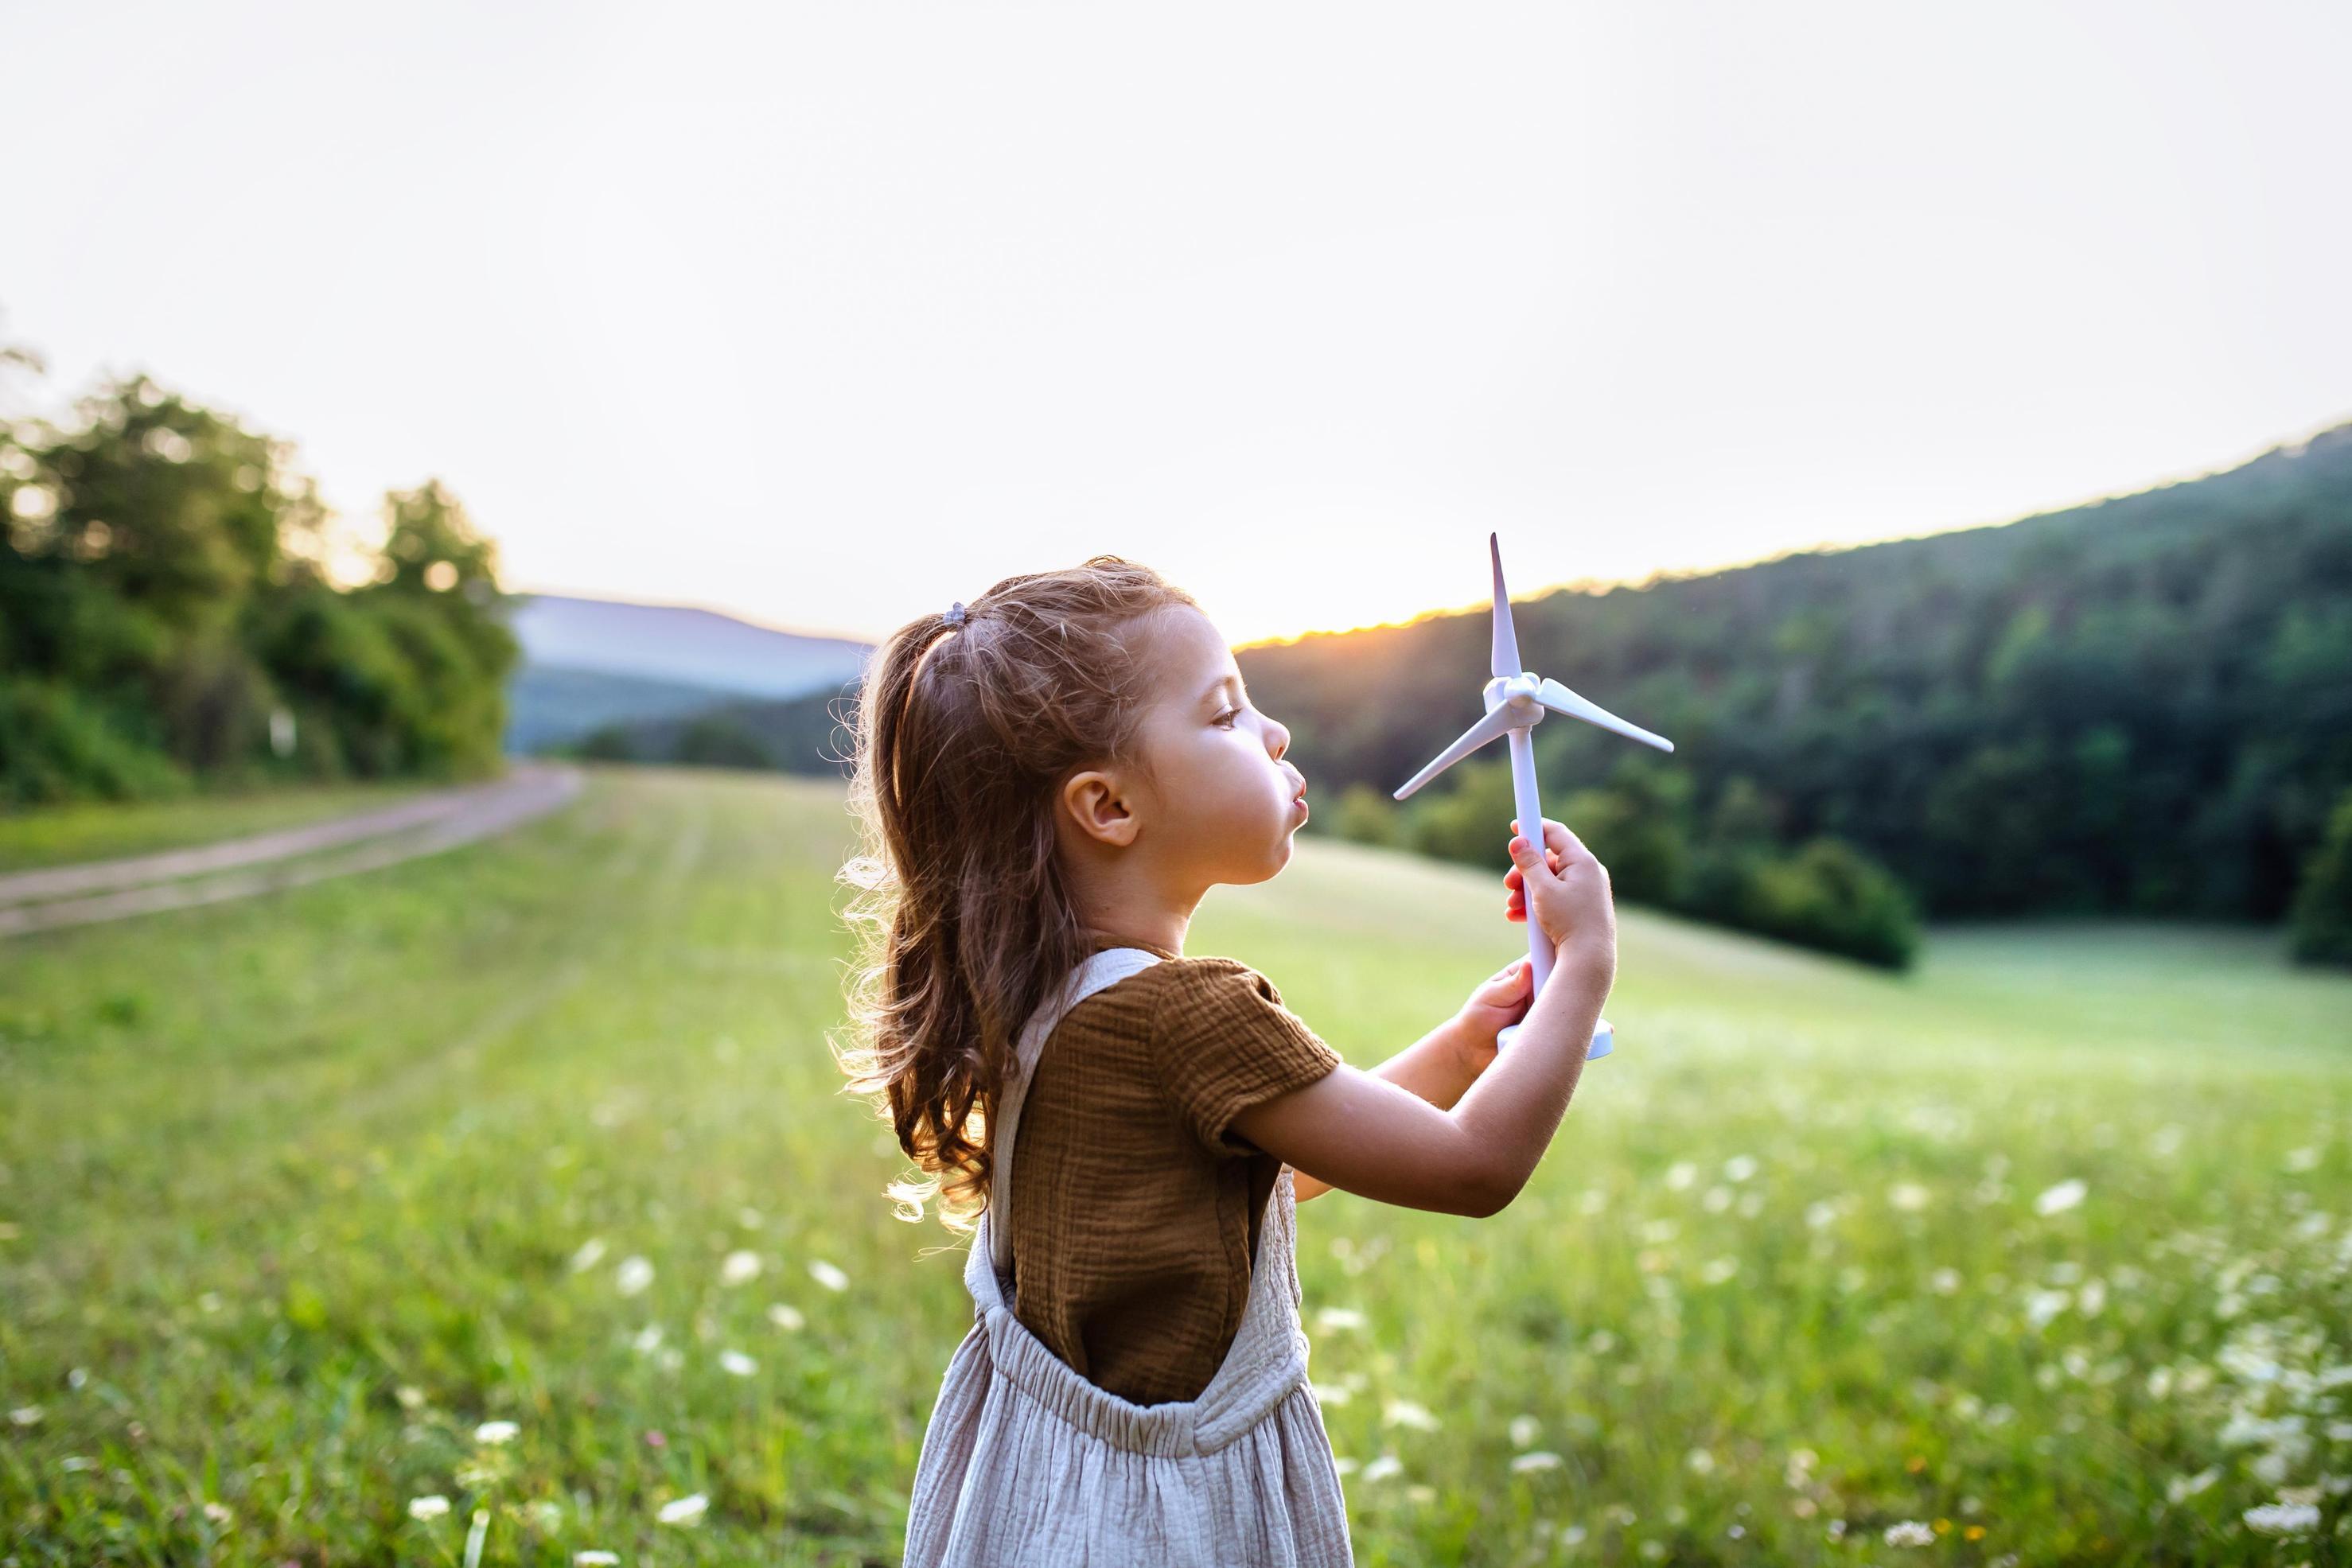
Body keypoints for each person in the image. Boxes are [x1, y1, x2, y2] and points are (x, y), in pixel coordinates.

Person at [830, 556, 1618, 1566]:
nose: (1273, 732)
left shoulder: (1048, 996)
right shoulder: (1187, 1012)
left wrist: (1469, 1047)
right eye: (1224, 713)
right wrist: (1585, 963)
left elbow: (1274, 1175)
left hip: (1048, 1495)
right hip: (1162, 1522)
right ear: (1107, 807)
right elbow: (1471, 1169)